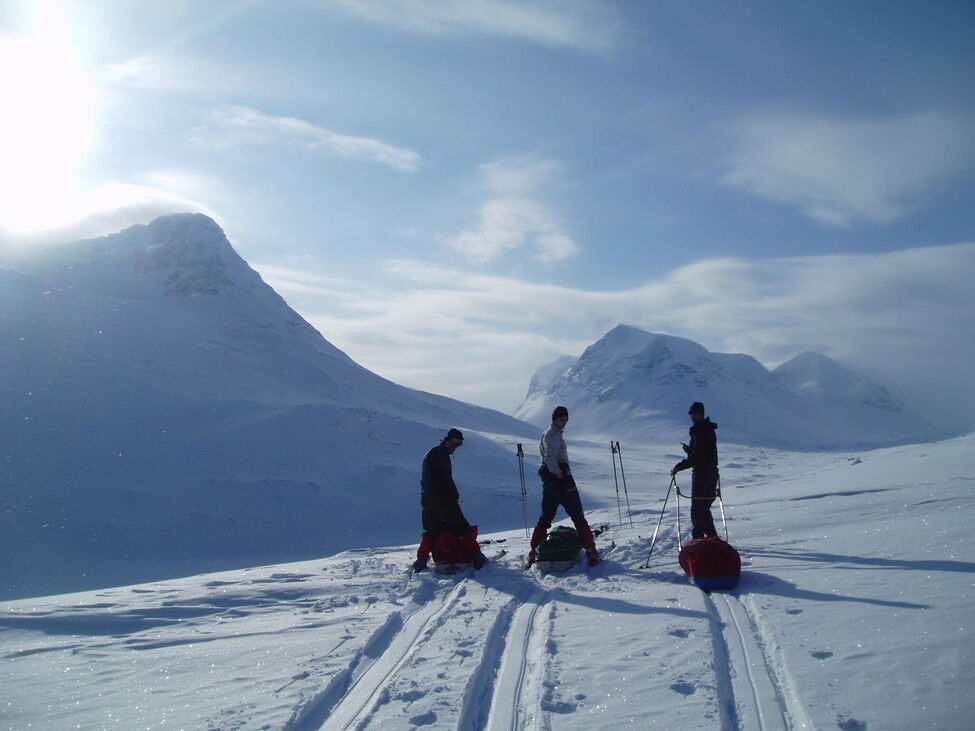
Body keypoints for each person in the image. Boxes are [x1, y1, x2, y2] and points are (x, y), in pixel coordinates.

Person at [528, 406, 600, 566]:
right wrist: (559, 473)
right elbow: (550, 457)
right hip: (560, 478)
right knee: (577, 514)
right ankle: (590, 549)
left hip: (549, 480)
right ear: (554, 419)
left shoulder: (549, 433)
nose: (564, 423)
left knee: (546, 515)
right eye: (561, 420)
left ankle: (533, 550)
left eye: (566, 420)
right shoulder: (553, 435)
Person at [412, 428, 488, 572]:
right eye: (454, 442)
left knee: (431, 530)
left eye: (459, 444)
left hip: (428, 498)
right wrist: (453, 496)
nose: (455, 446)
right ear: (447, 439)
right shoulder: (438, 454)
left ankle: (421, 560)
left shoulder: (434, 453)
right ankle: (477, 556)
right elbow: (443, 479)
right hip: (442, 499)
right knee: (462, 527)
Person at [671, 402, 719, 539]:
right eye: (691, 414)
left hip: (702, 475)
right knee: (704, 510)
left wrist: (678, 467)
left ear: (701, 414)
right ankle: (712, 540)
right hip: (711, 473)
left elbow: (697, 458)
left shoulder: (700, 431)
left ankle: (698, 541)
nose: (693, 416)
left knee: (697, 510)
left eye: (695, 413)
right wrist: (690, 451)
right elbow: (702, 453)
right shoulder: (707, 429)